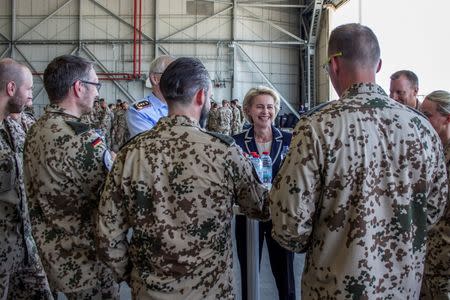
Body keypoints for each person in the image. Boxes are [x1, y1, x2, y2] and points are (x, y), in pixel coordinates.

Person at [270, 23, 448, 299]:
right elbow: (434, 210)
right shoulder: (421, 128)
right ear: (378, 67)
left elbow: (289, 227)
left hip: (334, 288)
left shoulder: (317, 128)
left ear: (334, 64)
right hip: (402, 288)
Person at [97, 57, 269, 299]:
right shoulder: (224, 152)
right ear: (200, 96)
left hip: (150, 291)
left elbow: (107, 234)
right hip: (210, 292)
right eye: (208, 96)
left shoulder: (130, 154)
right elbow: (260, 207)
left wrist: (136, 276)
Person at [23, 55, 119, 299]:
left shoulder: (37, 128)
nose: (98, 93)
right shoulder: (81, 139)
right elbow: (114, 193)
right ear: (79, 87)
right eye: (96, 85)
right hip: (85, 260)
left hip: (53, 252)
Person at [233, 86, 295, 300]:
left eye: (270, 107)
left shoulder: (290, 140)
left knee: (286, 277)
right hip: (248, 217)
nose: (265, 111)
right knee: (248, 274)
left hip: (280, 217)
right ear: (248, 110)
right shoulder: (236, 142)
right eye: (259, 106)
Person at [0, 58, 53, 300]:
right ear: (11, 89)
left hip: (22, 245)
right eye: (29, 89)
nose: (32, 95)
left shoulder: (11, 127)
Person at [419, 90, 450, 299]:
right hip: (426, 256)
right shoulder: (430, 149)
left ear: (447, 118)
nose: (421, 119)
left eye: (428, 115)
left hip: (444, 262)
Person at [126, 55, 174, 138]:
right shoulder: (140, 111)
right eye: (173, 74)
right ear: (155, 79)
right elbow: (150, 146)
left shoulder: (185, 106)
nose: (179, 79)